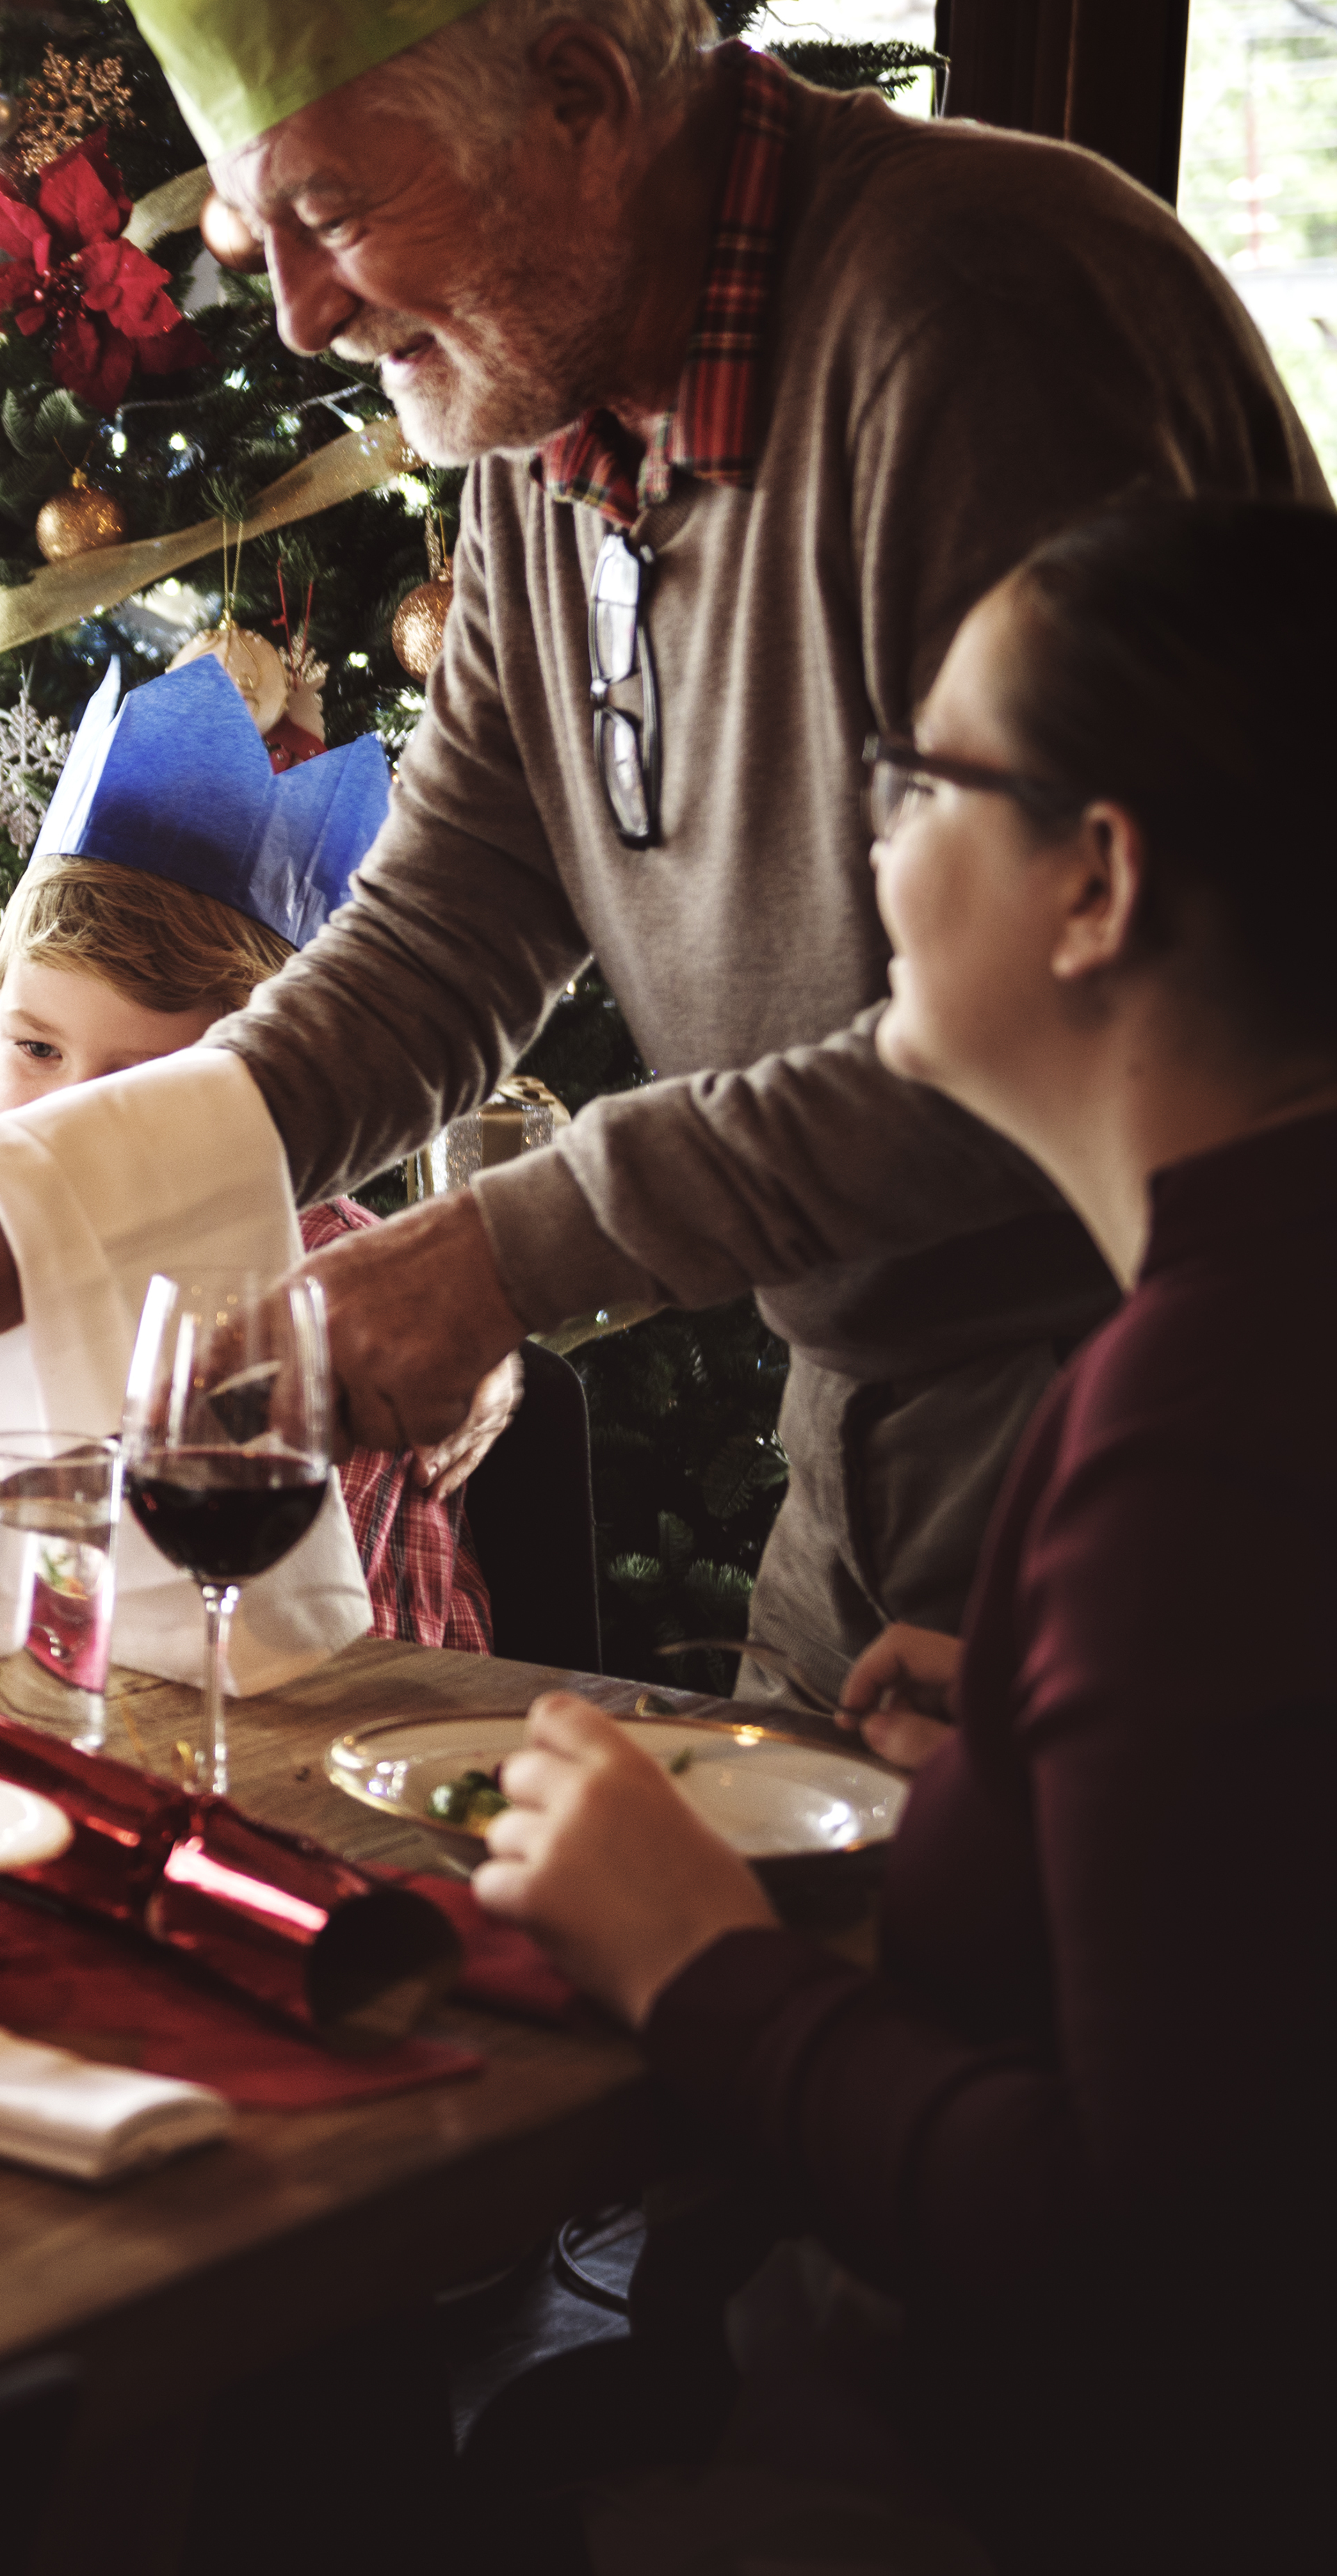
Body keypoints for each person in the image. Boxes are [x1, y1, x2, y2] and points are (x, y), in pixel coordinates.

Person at [0, 0, 1321, 1699]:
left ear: (582, 94)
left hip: (1163, 1407)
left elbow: (1070, 1010)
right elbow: (444, 930)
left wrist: (511, 1247)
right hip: (861, 1434)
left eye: (330, 213)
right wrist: (33, 1211)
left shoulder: (979, 319)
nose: (306, 315)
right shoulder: (537, 404)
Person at [471, 499, 1336, 2565]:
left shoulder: (1198, 1415)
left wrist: (693, 1967)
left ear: (1092, 881)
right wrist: (1048, 1756)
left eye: (916, 775)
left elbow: (1163, 2266)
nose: (862, 833)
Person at [0, 655, 503, 1648]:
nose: (66, 1115)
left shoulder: (329, 1304)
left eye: (142, 1086)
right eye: (34, 1048)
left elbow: (322, 1656)